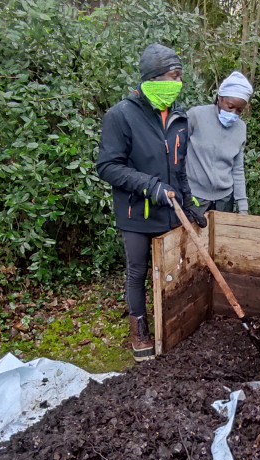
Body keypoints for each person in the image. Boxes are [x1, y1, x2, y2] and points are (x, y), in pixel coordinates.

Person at [96, 43, 206, 362]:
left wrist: (189, 203)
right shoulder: (121, 116)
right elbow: (108, 166)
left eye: (180, 77)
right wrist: (150, 186)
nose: (178, 83)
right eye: (174, 76)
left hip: (170, 212)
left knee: (171, 269)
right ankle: (139, 326)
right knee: (137, 271)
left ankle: (170, 321)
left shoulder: (179, 118)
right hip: (136, 212)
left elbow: (179, 168)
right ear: (153, 78)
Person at [186, 71, 253, 215]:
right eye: (230, 107)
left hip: (224, 200)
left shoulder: (240, 128)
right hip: (195, 197)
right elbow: (177, 151)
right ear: (219, 97)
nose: (233, 113)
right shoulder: (196, 116)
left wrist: (242, 206)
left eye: (239, 111)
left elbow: (237, 168)